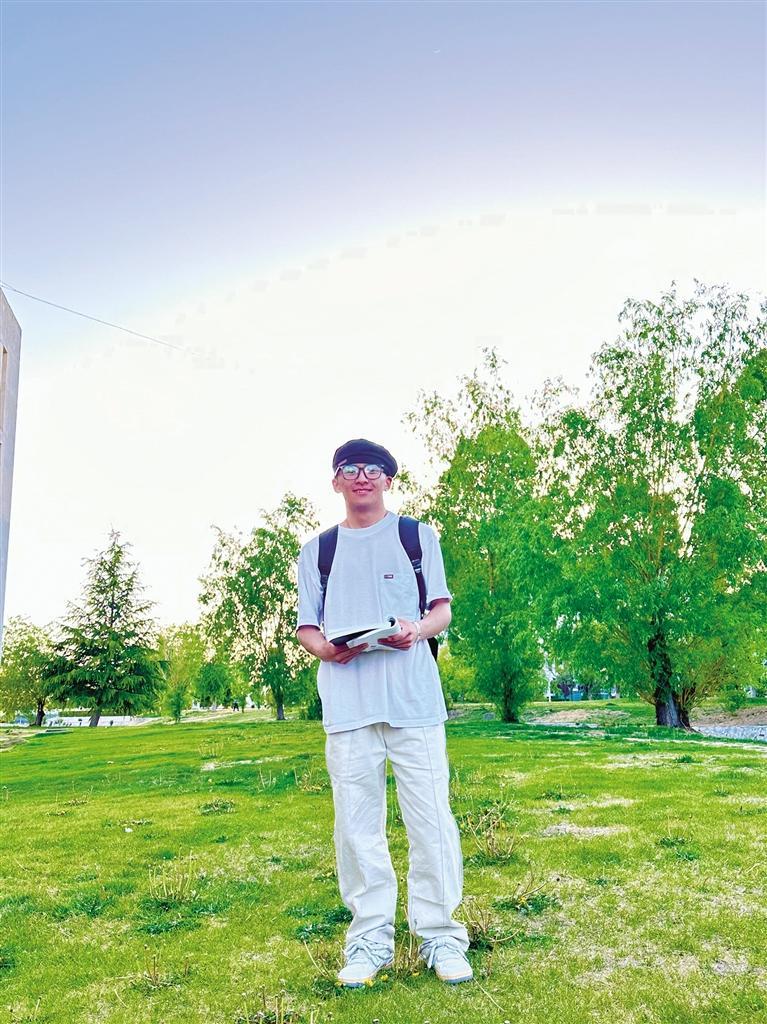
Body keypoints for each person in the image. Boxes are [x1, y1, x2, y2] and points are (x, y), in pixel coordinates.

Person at [296, 438, 472, 988]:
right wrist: (326, 650)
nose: (362, 477)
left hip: (413, 702)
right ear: (336, 482)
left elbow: (440, 610)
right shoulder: (318, 551)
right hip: (348, 706)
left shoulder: (416, 536)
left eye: (373, 469)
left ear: (389, 481)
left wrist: (415, 631)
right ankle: (369, 941)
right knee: (356, 828)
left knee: (431, 821)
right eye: (349, 469)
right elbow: (308, 627)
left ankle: (441, 936)